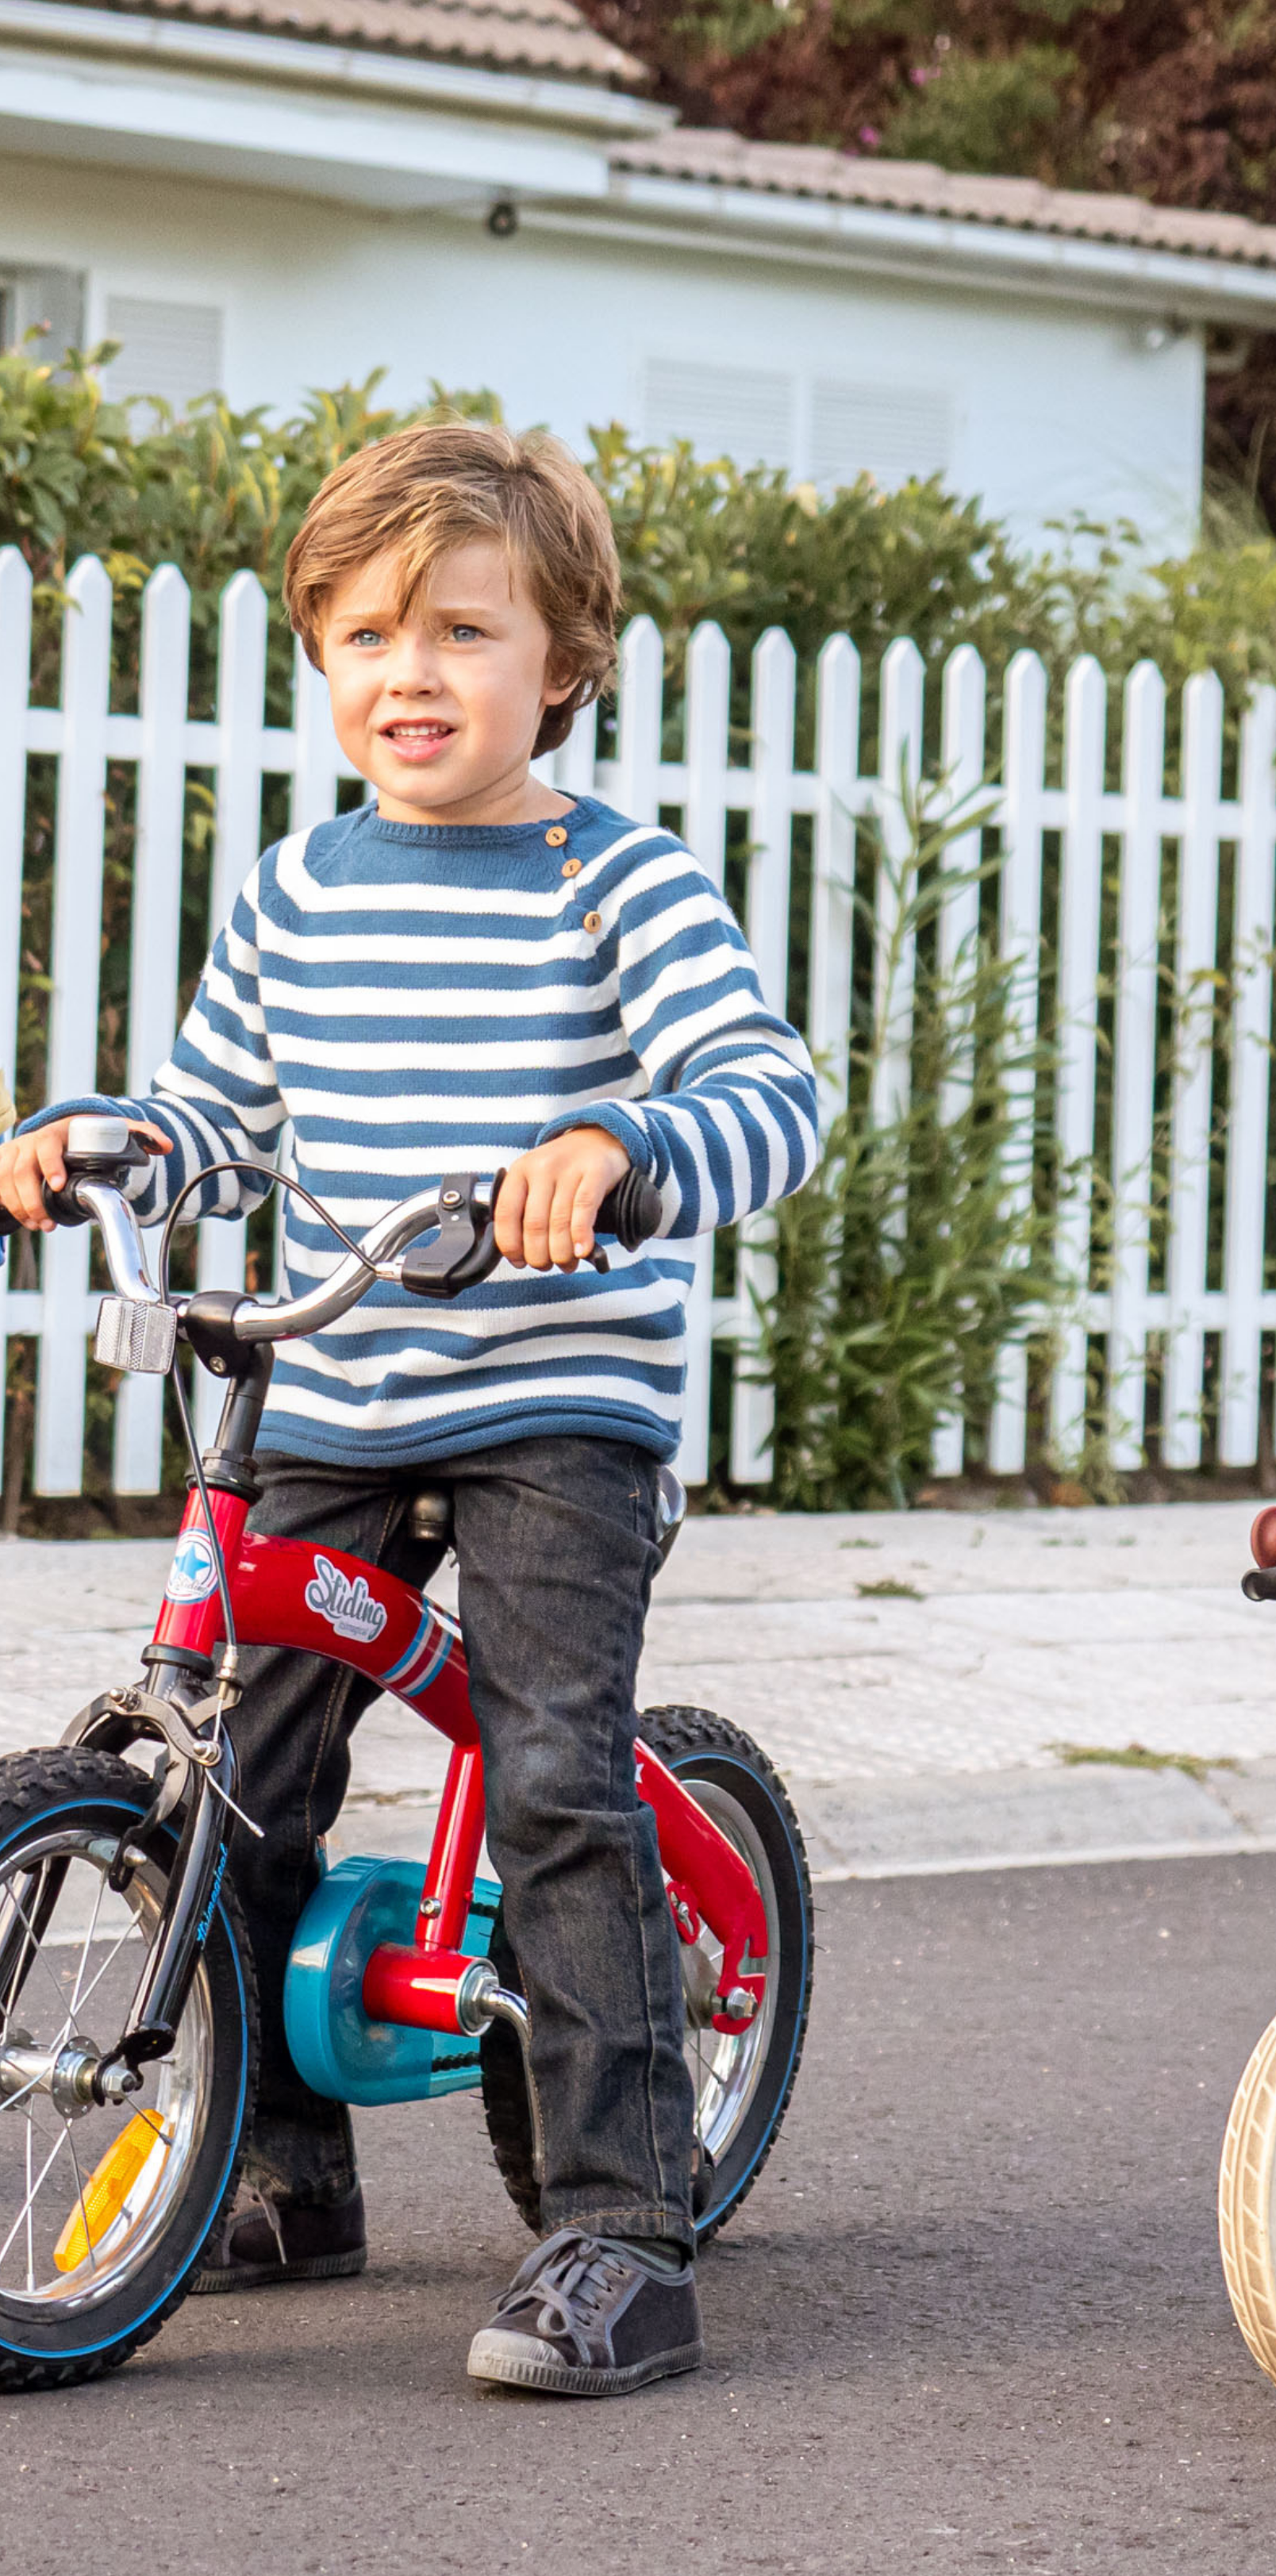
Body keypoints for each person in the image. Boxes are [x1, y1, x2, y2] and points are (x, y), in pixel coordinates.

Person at [0, 419, 819, 2397]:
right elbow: (224, 1117)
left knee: (552, 1779)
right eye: (365, 634)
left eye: (464, 628)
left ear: (564, 661)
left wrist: (620, 1146)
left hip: (556, 1402)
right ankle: (278, 2169)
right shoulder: (298, 892)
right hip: (335, 1379)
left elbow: (765, 1093)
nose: (411, 673)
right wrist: (118, 1139)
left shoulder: (613, 877)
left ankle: (623, 2227)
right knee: (236, 1780)